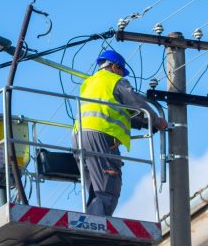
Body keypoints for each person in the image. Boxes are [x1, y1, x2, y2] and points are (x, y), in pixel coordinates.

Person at [72, 50, 168, 216]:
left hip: (78, 136)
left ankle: (90, 221)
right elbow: (137, 104)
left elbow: (118, 112)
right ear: (115, 67)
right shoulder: (115, 81)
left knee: (95, 188)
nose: (122, 75)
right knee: (108, 185)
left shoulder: (89, 83)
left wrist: (147, 125)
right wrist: (157, 120)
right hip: (100, 135)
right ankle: (99, 226)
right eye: (121, 71)